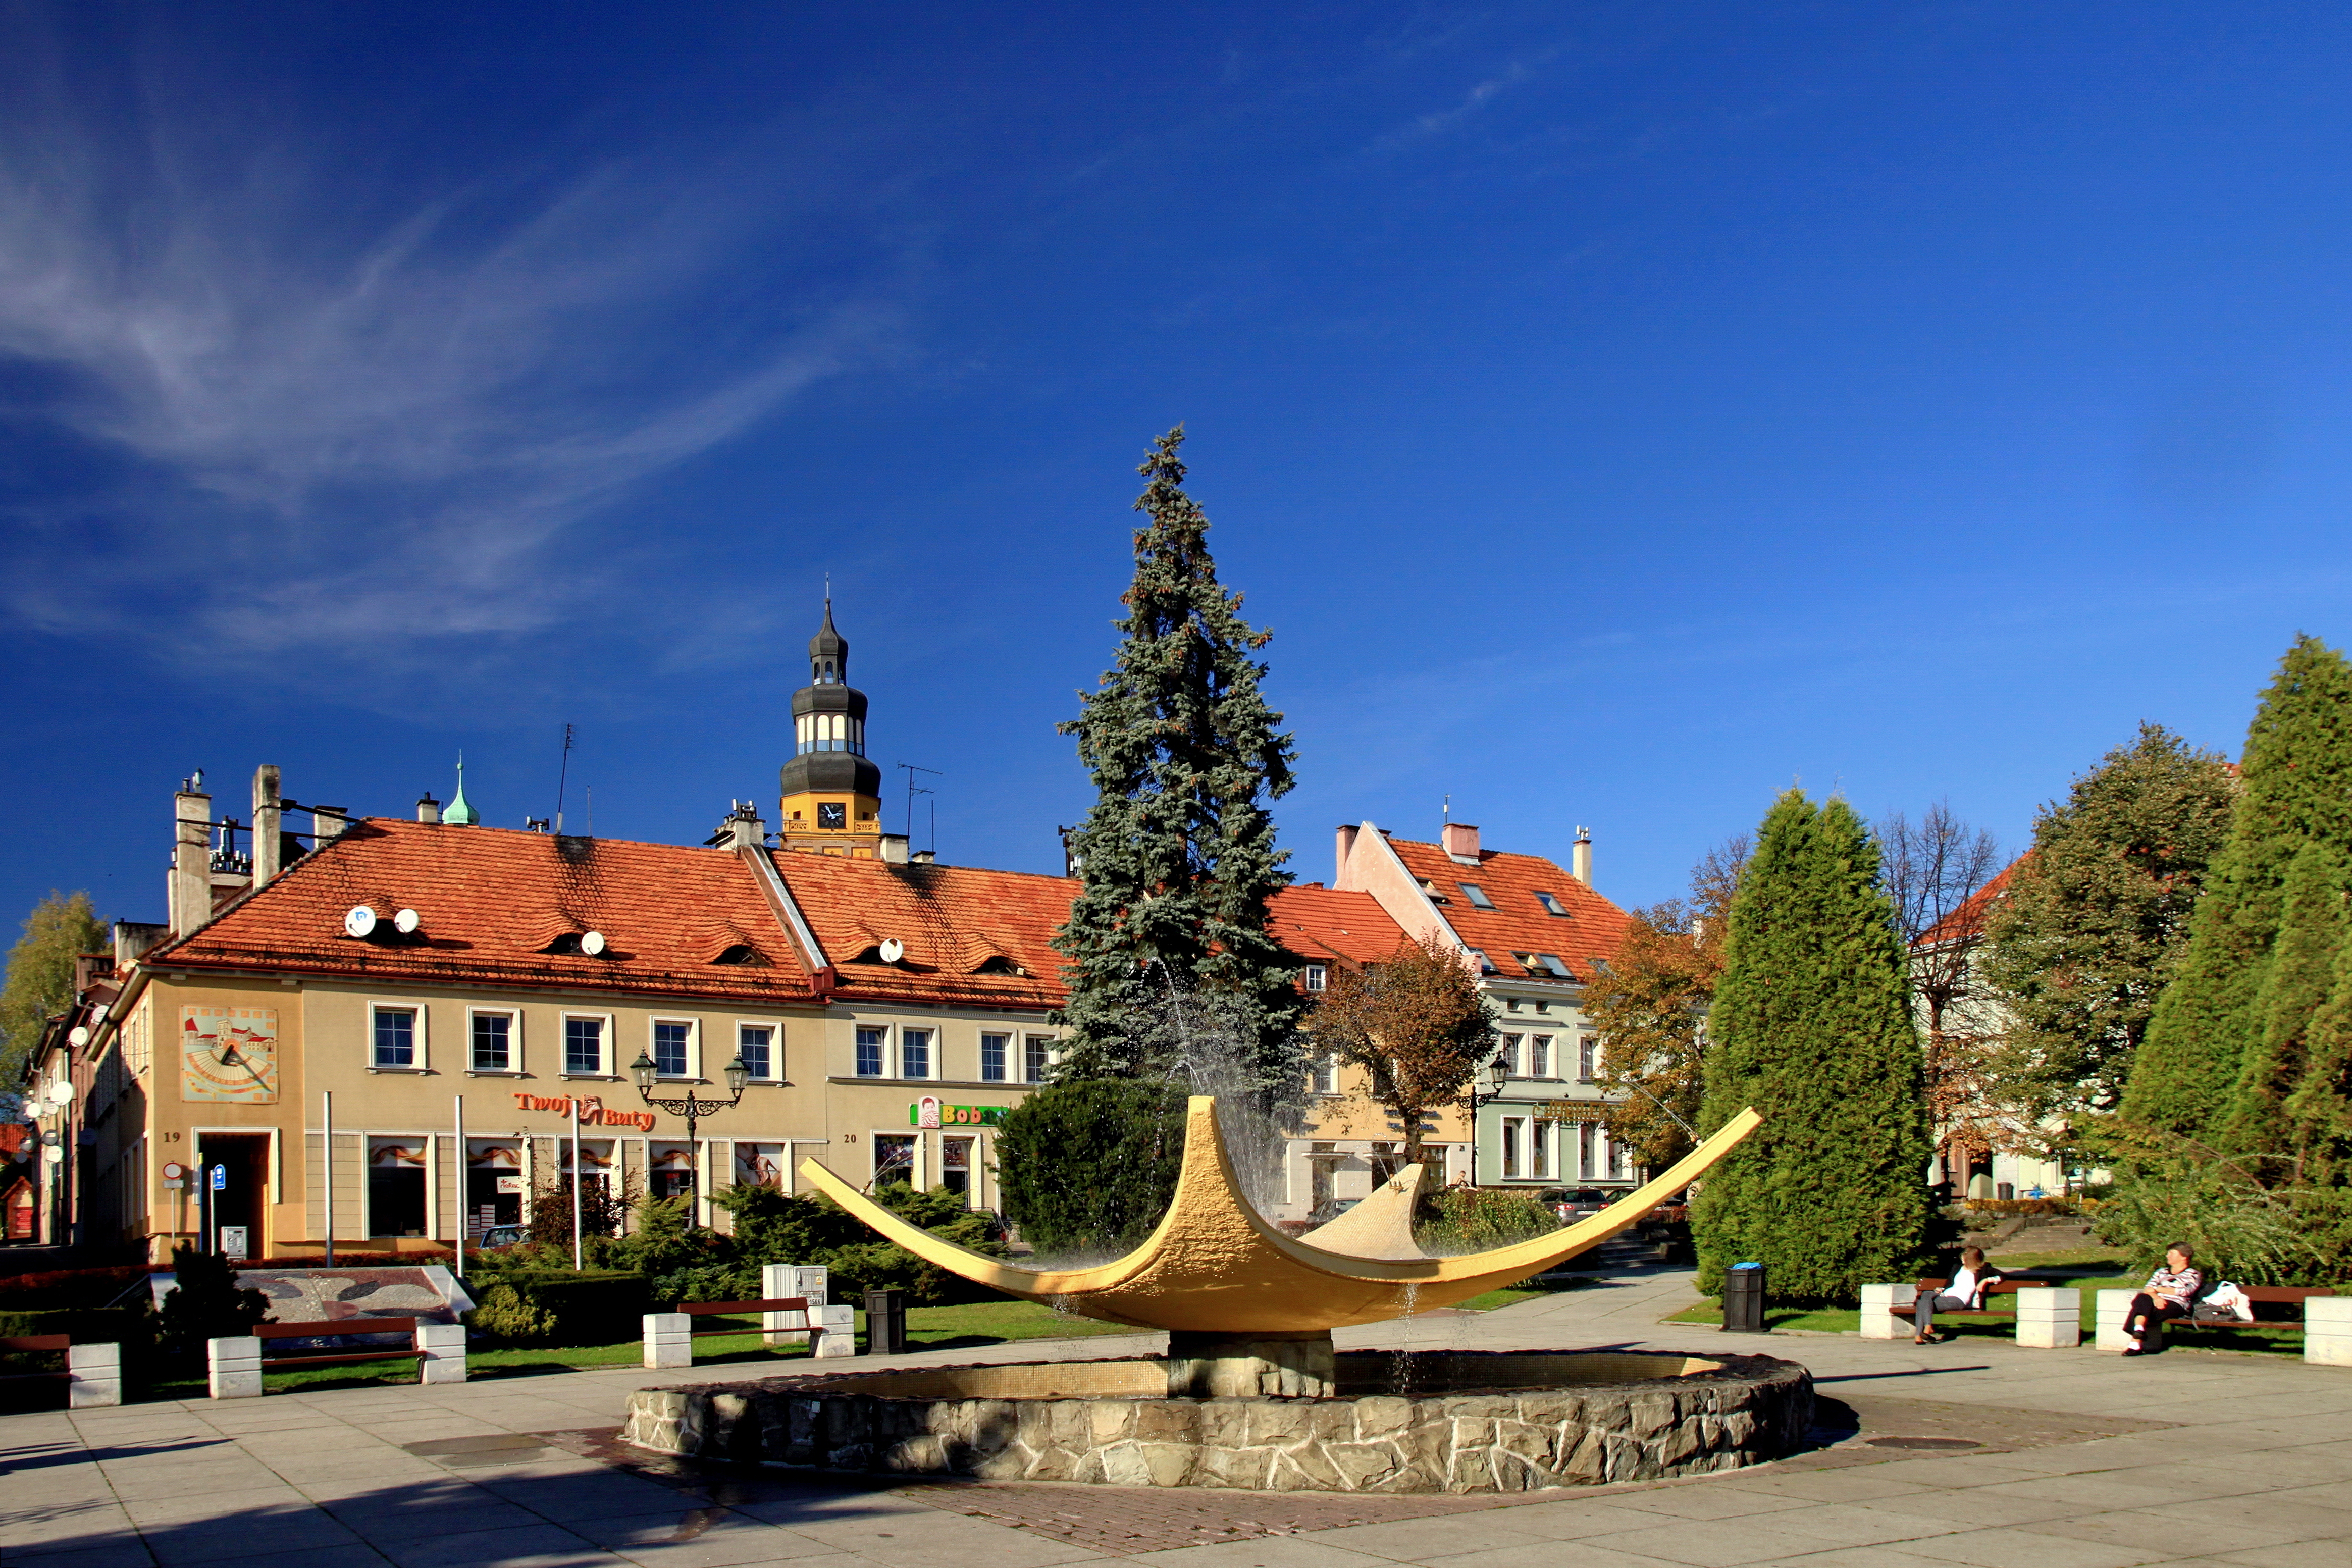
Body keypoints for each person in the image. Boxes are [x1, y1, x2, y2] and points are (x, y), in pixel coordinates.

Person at [2121, 1244, 2202, 1356]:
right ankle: (2139, 1332)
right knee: (2143, 1298)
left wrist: (2158, 1289)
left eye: (2172, 1253)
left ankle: (2136, 1340)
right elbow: (2148, 1289)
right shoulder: (2161, 1272)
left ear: (2184, 1257)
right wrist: (2157, 1298)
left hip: (2176, 1304)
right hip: (2155, 1302)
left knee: (2141, 1309)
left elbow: (2185, 1292)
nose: (2167, 1256)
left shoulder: (2193, 1274)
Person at [1914, 1246, 2004, 1344]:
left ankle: (1919, 1335)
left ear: (1973, 1260)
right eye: (1963, 1258)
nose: (1963, 1260)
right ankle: (1928, 1327)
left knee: (1921, 1303)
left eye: (1966, 1259)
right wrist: (1942, 1289)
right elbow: (1951, 1284)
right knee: (1926, 1295)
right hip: (1945, 1296)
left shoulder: (1983, 1269)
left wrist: (1986, 1281)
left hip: (1959, 1300)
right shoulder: (1957, 1267)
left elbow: (2002, 1275)